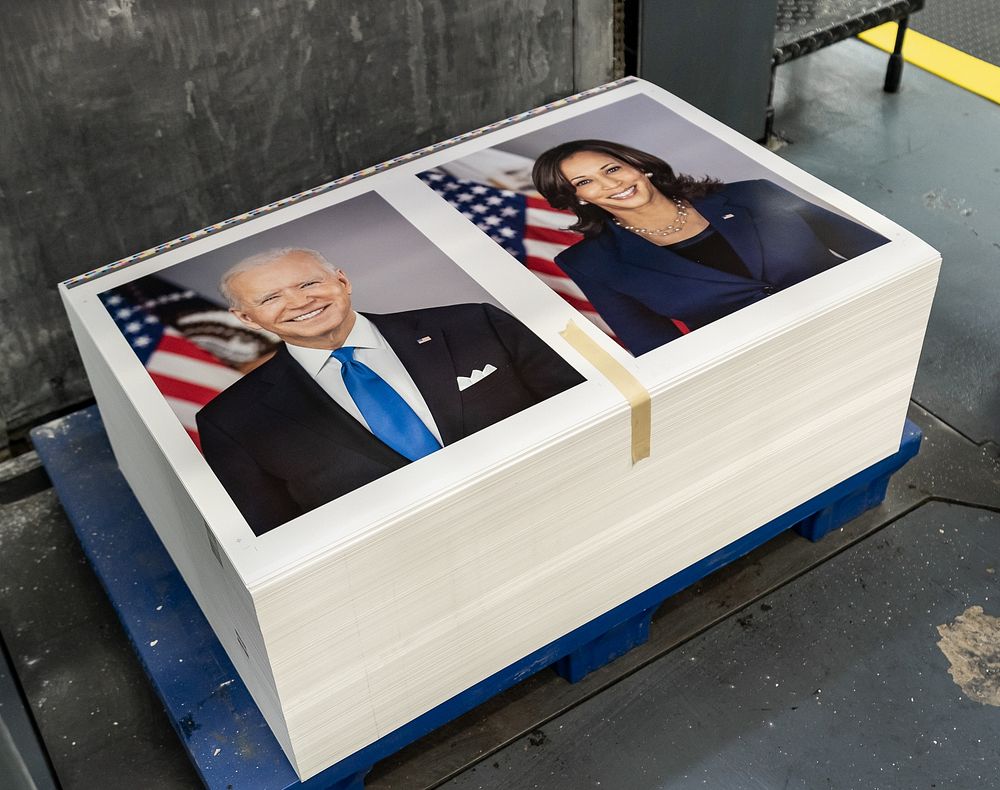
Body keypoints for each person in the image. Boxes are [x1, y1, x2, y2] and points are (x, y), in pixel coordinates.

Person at [196, 248, 583, 535]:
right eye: (270, 298)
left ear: (342, 281)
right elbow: (279, 535)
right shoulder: (231, 422)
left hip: (568, 503)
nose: (300, 301)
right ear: (246, 318)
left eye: (309, 283)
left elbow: (583, 405)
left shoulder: (474, 323)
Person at [531, 140, 889, 356]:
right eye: (585, 182)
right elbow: (659, 350)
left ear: (639, 165)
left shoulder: (752, 193)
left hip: (858, 325)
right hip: (759, 369)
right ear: (575, 198)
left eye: (613, 168)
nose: (610, 184)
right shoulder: (592, 263)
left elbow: (875, 251)